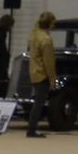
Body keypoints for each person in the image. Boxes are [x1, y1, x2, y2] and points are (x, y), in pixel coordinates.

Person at [23, 10, 57, 138]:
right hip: (42, 74)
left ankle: (32, 128)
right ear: (50, 23)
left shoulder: (34, 35)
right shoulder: (46, 40)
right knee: (39, 103)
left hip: (33, 72)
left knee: (37, 102)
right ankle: (31, 129)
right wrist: (52, 78)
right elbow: (49, 62)